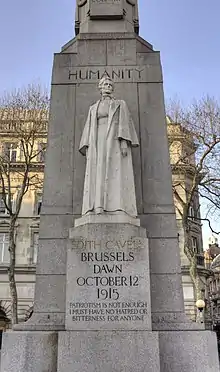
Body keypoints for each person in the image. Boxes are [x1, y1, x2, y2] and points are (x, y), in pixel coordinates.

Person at [79, 74, 139, 217]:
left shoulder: (120, 104)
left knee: (115, 172)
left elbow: (124, 122)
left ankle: (118, 207)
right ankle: (97, 206)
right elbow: (88, 127)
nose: (108, 87)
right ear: (100, 88)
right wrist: (87, 145)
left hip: (114, 140)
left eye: (110, 85)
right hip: (97, 140)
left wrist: (124, 141)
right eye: (105, 85)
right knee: (98, 172)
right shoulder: (93, 108)